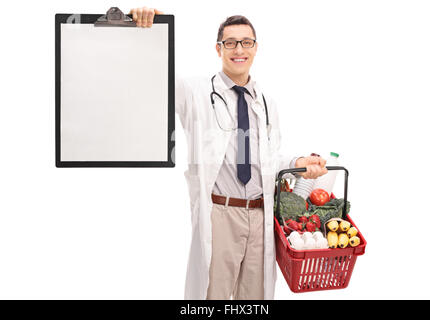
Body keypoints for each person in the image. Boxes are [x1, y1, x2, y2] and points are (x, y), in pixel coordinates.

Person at [129, 6, 328, 300]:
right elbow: (155, 82)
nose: (239, 49)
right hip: (221, 214)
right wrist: (149, 32)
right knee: (214, 298)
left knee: (255, 300)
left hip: (261, 217)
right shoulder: (194, 91)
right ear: (218, 48)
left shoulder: (267, 101)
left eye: (246, 42)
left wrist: (297, 163)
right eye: (230, 42)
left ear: (256, 48)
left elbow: (267, 155)